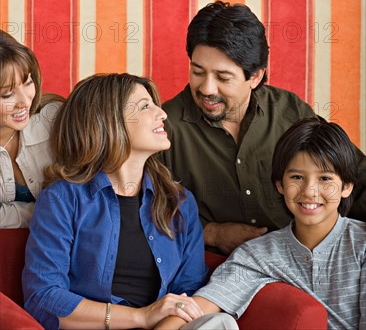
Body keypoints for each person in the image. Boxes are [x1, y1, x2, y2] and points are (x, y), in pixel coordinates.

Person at [23, 73, 232, 330]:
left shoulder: (179, 202)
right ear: (108, 122)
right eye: (146, 106)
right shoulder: (62, 199)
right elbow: (43, 299)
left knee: (219, 324)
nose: (162, 113)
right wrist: (141, 316)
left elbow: (188, 295)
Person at [161, 1, 366, 254]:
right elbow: (137, 210)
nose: (206, 89)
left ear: (255, 76)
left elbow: (353, 174)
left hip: (301, 256)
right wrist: (213, 233)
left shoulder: (288, 109)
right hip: (215, 265)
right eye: (197, 72)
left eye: (223, 78)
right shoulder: (164, 125)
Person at [156, 119, 366, 330]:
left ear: (347, 186)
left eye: (325, 179)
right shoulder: (258, 254)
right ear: (280, 185)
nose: (310, 191)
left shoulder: (362, 245)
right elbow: (200, 307)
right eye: (297, 177)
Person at [0, 30, 63, 227]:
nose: (24, 101)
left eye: (28, 82)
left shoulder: (54, 120)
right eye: (7, 94)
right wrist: (47, 212)